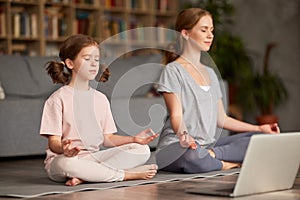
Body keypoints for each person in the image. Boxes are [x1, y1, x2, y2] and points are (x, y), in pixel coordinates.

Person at [155, 8, 280, 174]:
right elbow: (176, 115)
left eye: (212, 30)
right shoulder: (173, 70)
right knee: (192, 156)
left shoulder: (211, 73)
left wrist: (259, 129)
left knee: (264, 140)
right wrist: (185, 137)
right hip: (177, 147)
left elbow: (222, 119)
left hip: (206, 146)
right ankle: (227, 163)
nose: (210, 35)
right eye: (204, 30)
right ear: (185, 33)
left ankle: (210, 156)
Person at [40, 34, 158, 186]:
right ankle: (126, 175)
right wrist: (64, 149)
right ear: (70, 63)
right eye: (87, 59)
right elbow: (53, 143)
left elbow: (107, 138)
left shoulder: (101, 99)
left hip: (93, 158)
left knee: (142, 150)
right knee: (67, 165)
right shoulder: (57, 99)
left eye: (96, 59)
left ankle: (87, 176)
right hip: (65, 160)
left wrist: (134, 139)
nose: (94, 64)